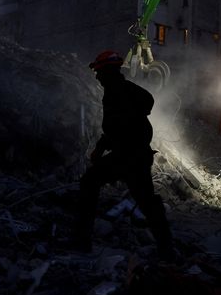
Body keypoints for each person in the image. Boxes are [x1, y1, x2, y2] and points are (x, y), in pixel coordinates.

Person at [74, 50, 174, 259]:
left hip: (129, 156)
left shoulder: (118, 92)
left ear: (108, 72)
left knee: (89, 183)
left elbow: (122, 124)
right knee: (147, 201)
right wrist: (101, 148)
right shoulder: (120, 91)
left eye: (99, 72)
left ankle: (81, 242)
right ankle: (167, 248)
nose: (98, 77)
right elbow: (116, 126)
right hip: (133, 156)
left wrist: (104, 148)